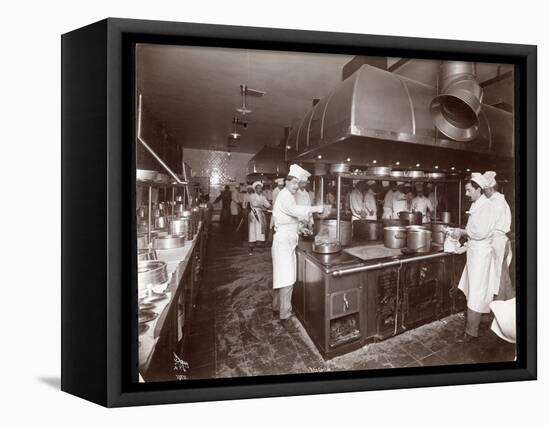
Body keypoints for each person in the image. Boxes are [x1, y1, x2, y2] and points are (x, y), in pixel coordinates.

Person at [271, 164, 325, 322]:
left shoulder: (287, 194)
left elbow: (291, 217)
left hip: (287, 239)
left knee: (280, 276)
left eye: (298, 183)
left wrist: (300, 228)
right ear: (287, 182)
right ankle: (285, 313)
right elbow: (295, 211)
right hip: (283, 241)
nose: (295, 186)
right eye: (293, 182)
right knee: (286, 277)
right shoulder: (285, 195)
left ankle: (276, 306)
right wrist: (317, 208)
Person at [452, 173, 498, 341]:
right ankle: (482, 320)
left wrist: (461, 232)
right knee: (476, 290)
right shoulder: (477, 204)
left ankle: (471, 332)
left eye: (468, 190)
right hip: (475, 253)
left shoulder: (486, 206)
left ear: (478, 189)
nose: (466, 193)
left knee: (477, 292)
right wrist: (464, 247)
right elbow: (474, 234)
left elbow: (480, 233)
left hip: (481, 256)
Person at [483, 171, 514, 300]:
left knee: (498, 279)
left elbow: (488, 226)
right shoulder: (502, 199)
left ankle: (498, 312)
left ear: (490, 188)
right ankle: (510, 310)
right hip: (504, 242)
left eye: (484, 190)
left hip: (498, 243)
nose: (483, 193)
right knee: (504, 276)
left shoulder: (493, 202)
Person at [247, 181, 271, 254]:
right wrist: (262, 207)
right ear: (255, 189)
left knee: (260, 229)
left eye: (260, 188)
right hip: (253, 214)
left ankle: (259, 245)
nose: (260, 190)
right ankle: (251, 247)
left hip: (260, 214)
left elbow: (267, 205)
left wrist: (273, 207)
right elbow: (254, 204)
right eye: (258, 188)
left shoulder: (263, 197)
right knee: (253, 230)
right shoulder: (252, 196)